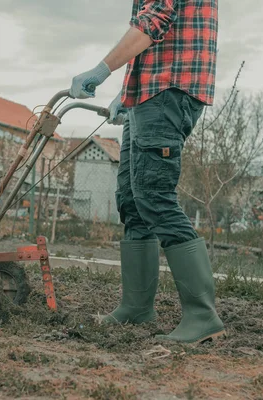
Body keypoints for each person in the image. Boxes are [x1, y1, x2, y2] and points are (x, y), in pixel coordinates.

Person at [69, 0, 224, 344]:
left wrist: (102, 69)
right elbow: (152, 42)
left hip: (168, 93)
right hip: (148, 95)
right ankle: (136, 307)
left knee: (154, 196)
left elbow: (155, 20)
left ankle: (202, 315)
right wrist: (127, 94)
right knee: (132, 200)